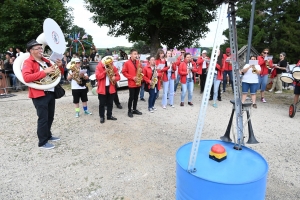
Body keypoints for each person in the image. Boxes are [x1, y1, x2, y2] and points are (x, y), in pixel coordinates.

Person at [22, 39, 62, 149]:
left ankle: (48, 135)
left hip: (50, 91)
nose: (41, 50)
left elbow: (57, 74)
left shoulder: (46, 61)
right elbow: (26, 78)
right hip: (39, 94)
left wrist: (59, 66)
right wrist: (44, 72)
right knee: (43, 118)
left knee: (50, 116)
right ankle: (42, 142)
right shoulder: (28, 62)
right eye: (38, 48)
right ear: (31, 51)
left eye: (41, 48)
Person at [96, 57, 120, 123]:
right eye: (107, 62)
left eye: (110, 62)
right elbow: (97, 77)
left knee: (110, 103)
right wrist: (104, 72)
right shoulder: (99, 67)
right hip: (102, 88)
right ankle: (101, 117)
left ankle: (109, 116)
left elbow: (118, 77)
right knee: (102, 104)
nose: (109, 64)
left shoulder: (113, 67)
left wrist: (115, 77)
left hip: (111, 88)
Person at [122, 49, 143, 118]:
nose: (136, 55)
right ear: (130, 55)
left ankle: (134, 109)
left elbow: (141, 70)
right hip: (131, 83)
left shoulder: (138, 62)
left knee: (136, 97)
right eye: (134, 54)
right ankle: (129, 110)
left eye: (136, 54)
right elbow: (124, 72)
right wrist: (132, 77)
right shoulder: (127, 63)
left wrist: (141, 70)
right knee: (131, 97)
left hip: (138, 82)